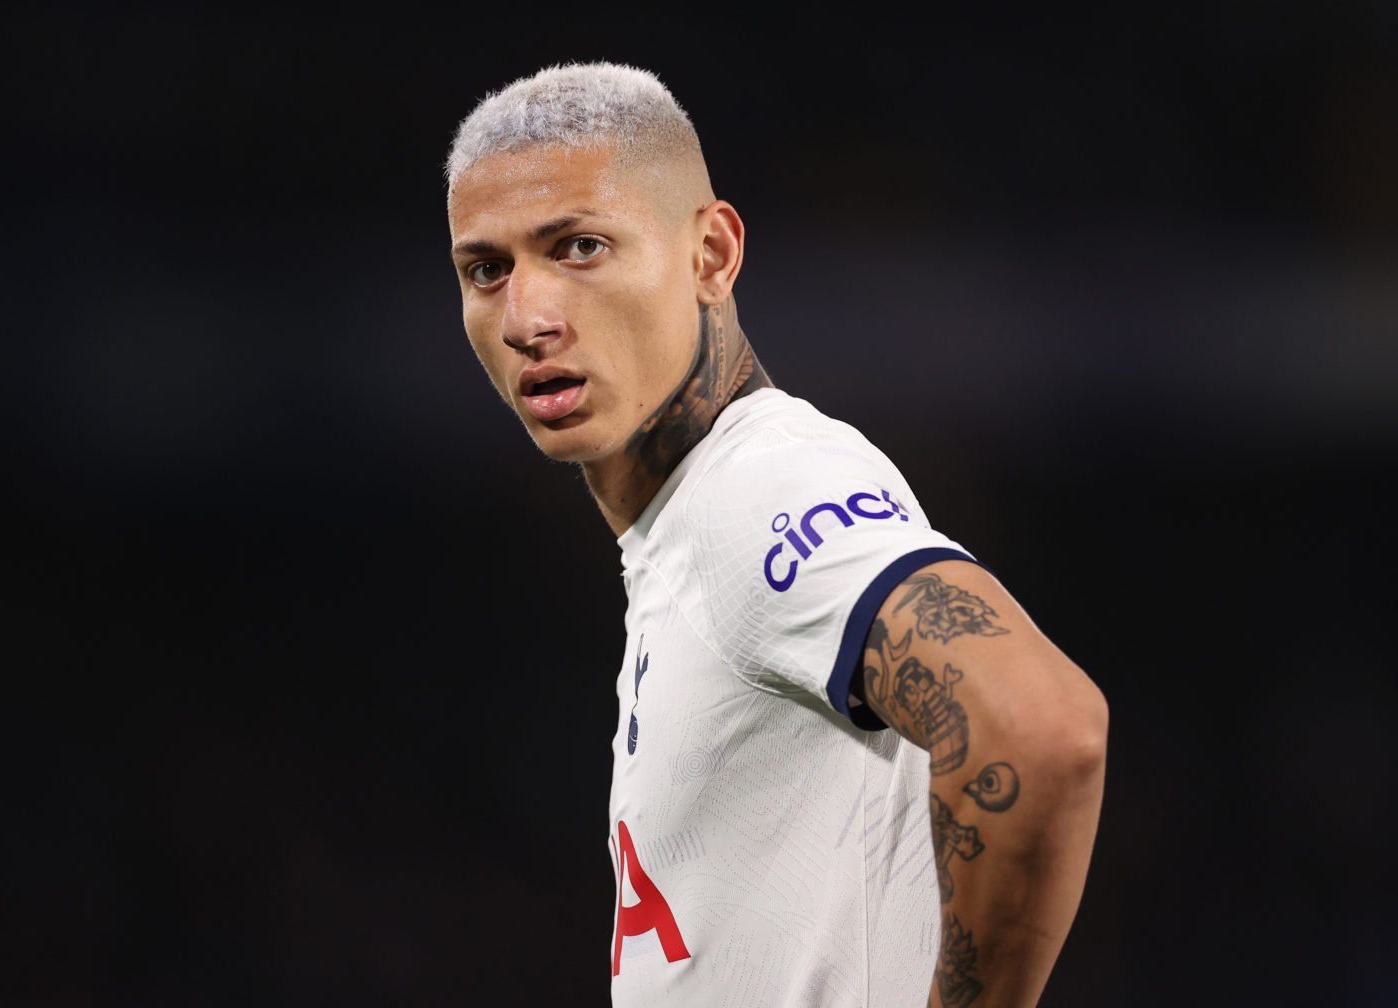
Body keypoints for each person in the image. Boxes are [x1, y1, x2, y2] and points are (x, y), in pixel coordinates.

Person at [443, 61, 1107, 1008]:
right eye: (487, 270)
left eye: (581, 246)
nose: (528, 318)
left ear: (711, 255)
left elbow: (1042, 729)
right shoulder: (685, 529)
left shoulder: (760, 488)